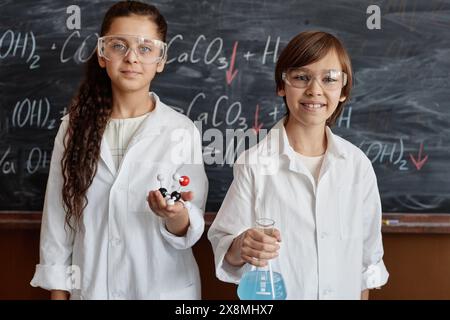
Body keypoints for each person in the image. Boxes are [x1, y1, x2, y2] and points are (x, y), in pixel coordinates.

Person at [30, 1, 208, 300]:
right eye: (118, 46)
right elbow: (58, 222)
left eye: (146, 48)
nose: (131, 58)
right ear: (102, 54)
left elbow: (189, 225)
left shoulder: (181, 131)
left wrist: (173, 214)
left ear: (161, 60)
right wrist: (59, 295)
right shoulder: (74, 127)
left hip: (162, 290)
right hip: (93, 288)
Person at [208, 31, 388, 300]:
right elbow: (227, 250)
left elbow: (366, 260)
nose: (315, 89)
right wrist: (242, 246)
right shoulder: (254, 165)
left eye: (329, 79)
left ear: (343, 91)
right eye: (301, 77)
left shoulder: (357, 166)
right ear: (282, 86)